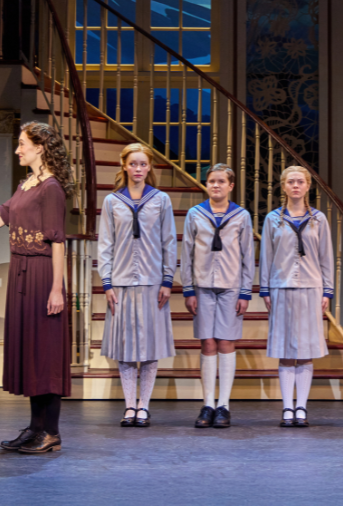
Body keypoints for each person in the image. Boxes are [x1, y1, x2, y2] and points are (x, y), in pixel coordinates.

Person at [0, 121, 74, 454]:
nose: (17, 150)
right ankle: (35, 427)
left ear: (40, 147)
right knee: (31, 351)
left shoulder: (51, 188)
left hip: (41, 273)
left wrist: (56, 289)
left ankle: (51, 432)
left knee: (46, 353)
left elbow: (58, 241)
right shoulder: (26, 184)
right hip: (21, 274)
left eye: (22, 144)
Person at [98, 143, 176, 427]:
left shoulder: (161, 200)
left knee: (150, 347)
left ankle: (144, 405)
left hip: (152, 283)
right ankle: (129, 405)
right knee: (126, 347)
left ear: (149, 167)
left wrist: (167, 279)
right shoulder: (112, 201)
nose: (138, 169)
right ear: (124, 166)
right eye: (133, 164)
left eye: (143, 164)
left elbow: (169, 241)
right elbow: (105, 243)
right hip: (121, 283)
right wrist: (107, 282)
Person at [181, 163, 254, 428]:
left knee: (225, 342)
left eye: (221, 181)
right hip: (202, 287)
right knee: (208, 343)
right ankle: (208, 404)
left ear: (230, 186)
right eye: (212, 181)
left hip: (231, 287)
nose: (216, 185)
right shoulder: (195, 214)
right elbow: (187, 253)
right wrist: (188, 288)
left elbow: (248, 255)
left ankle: (224, 405)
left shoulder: (241, 216)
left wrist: (245, 291)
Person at [259, 166, 334, 427]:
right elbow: (266, 256)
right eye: (290, 182)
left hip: (311, 289)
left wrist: (327, 290)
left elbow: (326, 257)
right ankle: (286, 407)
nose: (295, 186)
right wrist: (265, 289)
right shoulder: (273, 219)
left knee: (305, 349)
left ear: (308, 186)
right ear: (283, 186)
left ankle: (301, 406)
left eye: (300, 182)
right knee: (285, 349)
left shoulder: (319, 220)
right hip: (281, 287)